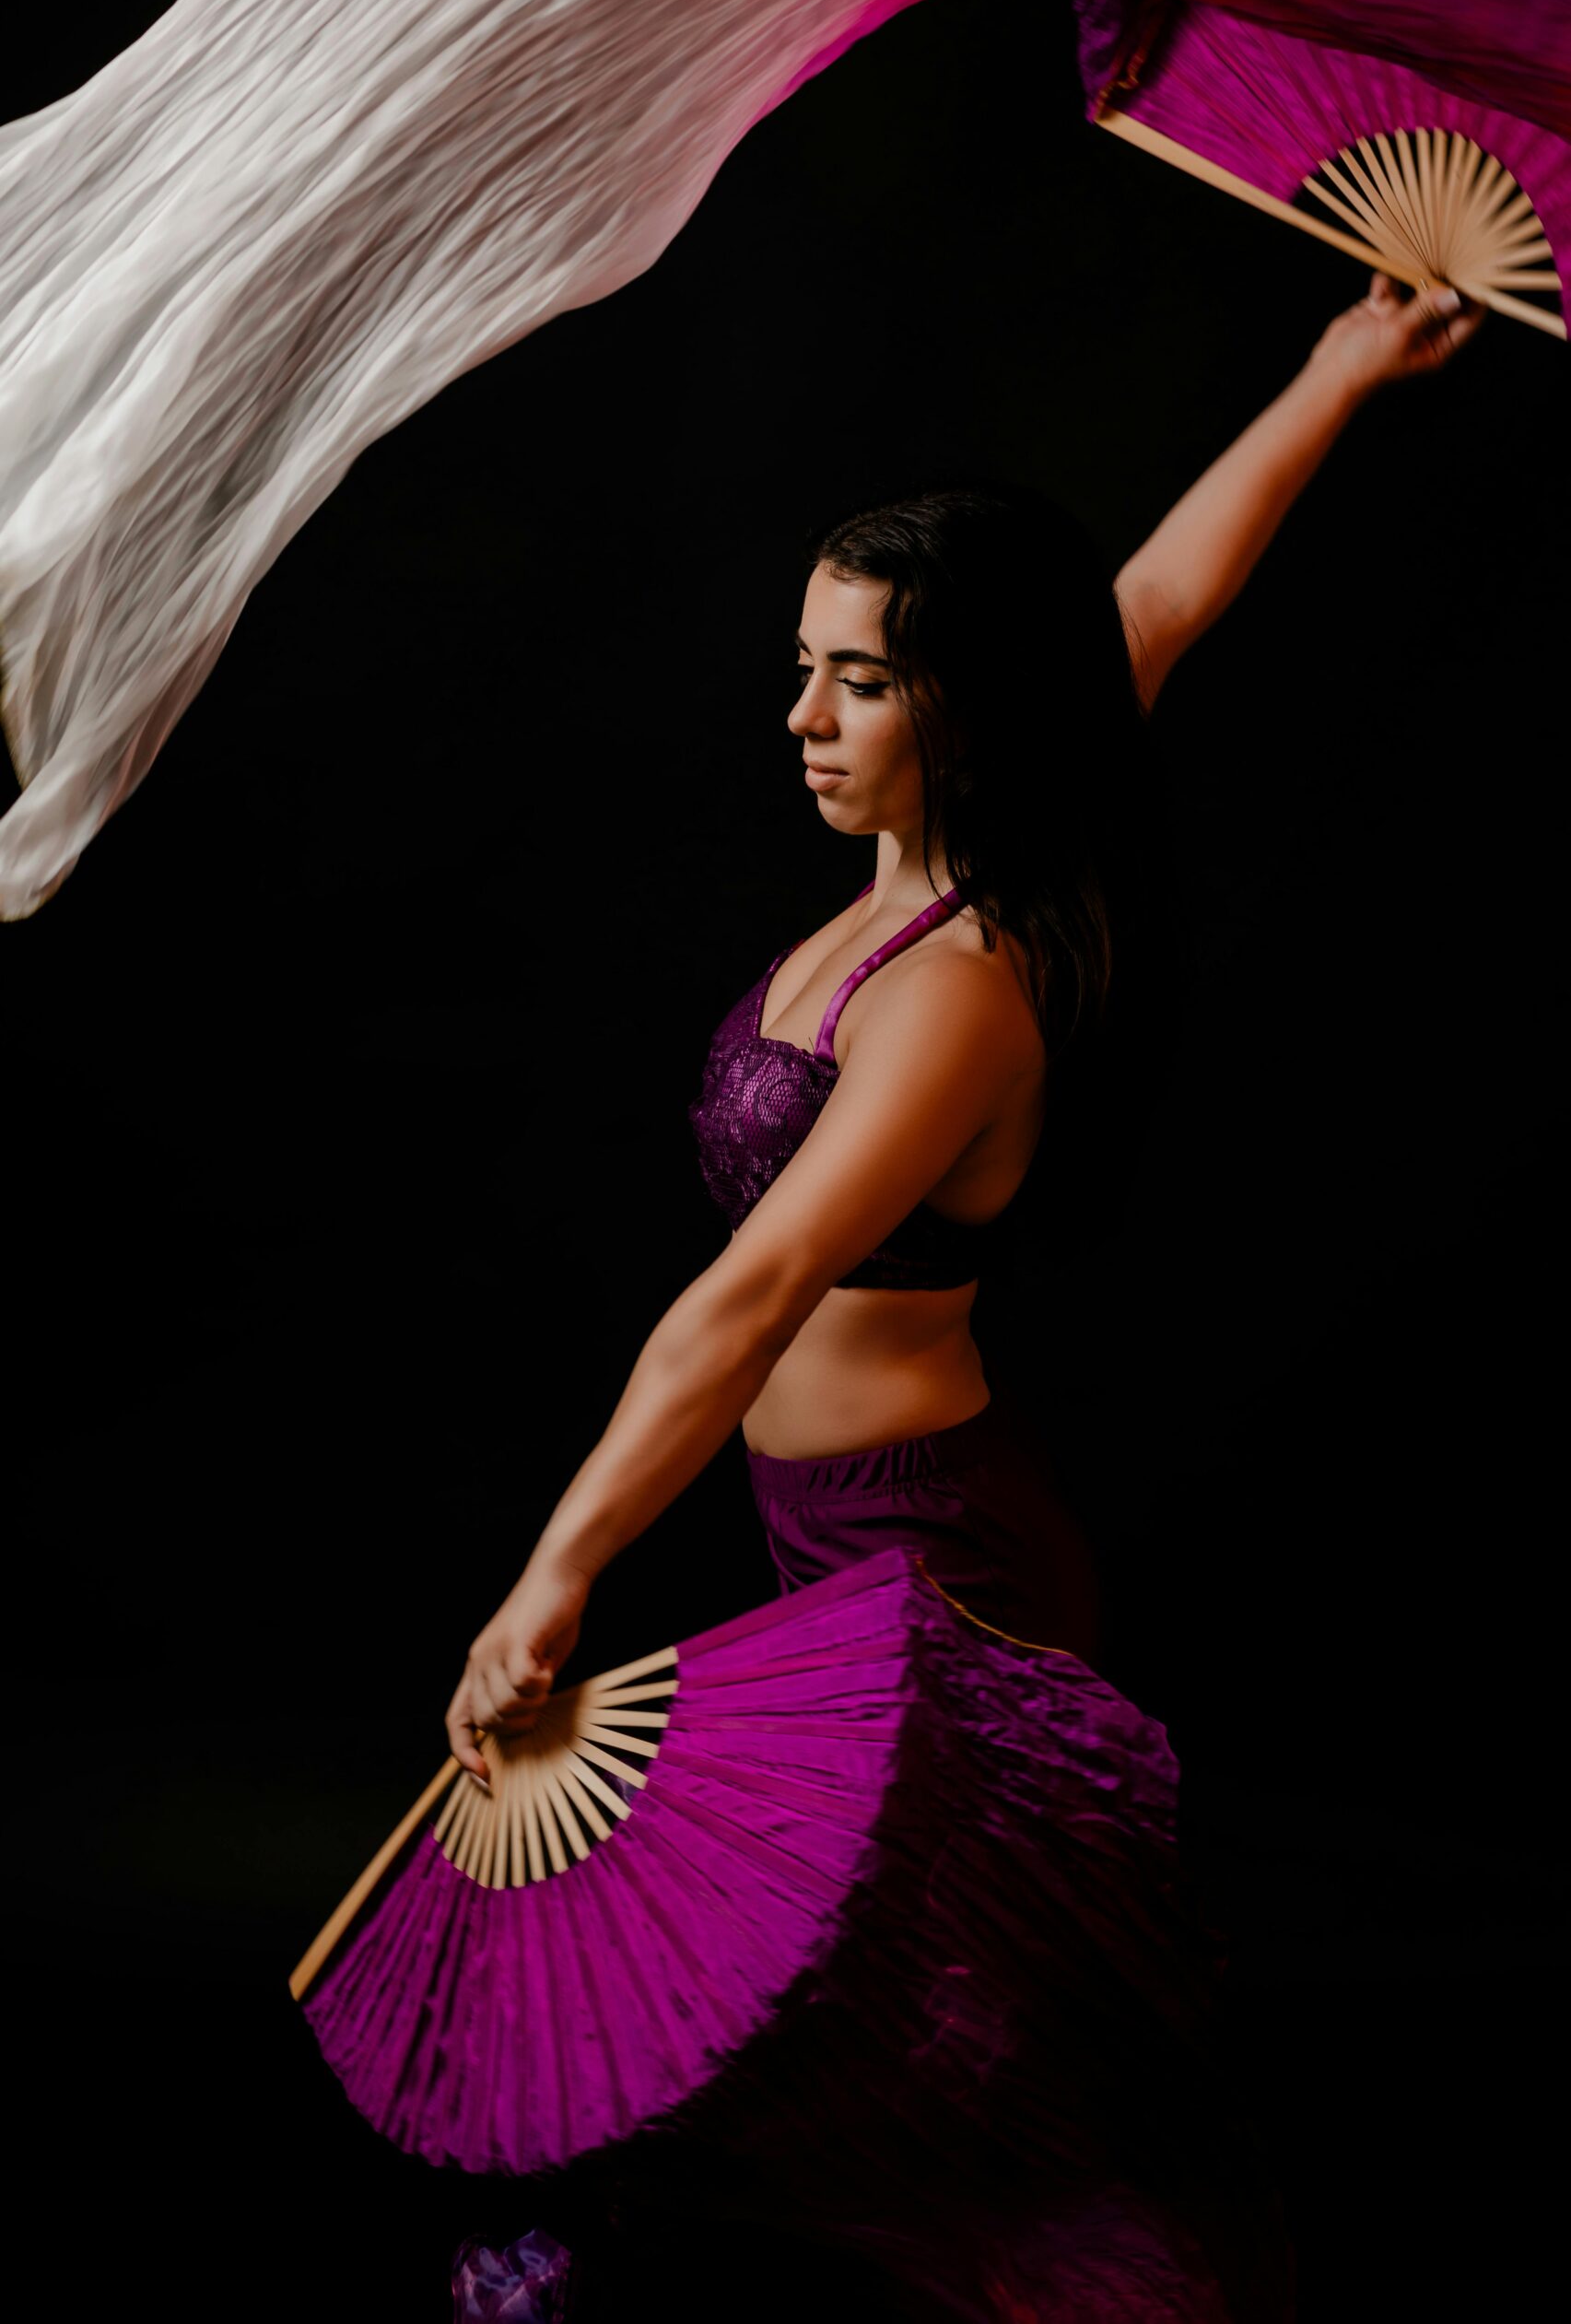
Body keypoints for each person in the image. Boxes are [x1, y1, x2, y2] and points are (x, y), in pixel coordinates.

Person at [434, 273, 1480, 2322]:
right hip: (834, 1532)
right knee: (891, 1995)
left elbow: (745, 1298)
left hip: (936, 1564)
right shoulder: (916, 885)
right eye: (803, 669)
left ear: (971, 705)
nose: (802, 720)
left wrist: (555, 1571)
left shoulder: (963, 989)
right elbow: (1160, 601)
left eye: (859, 683)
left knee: (912, 2014)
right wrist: (1339, 366)